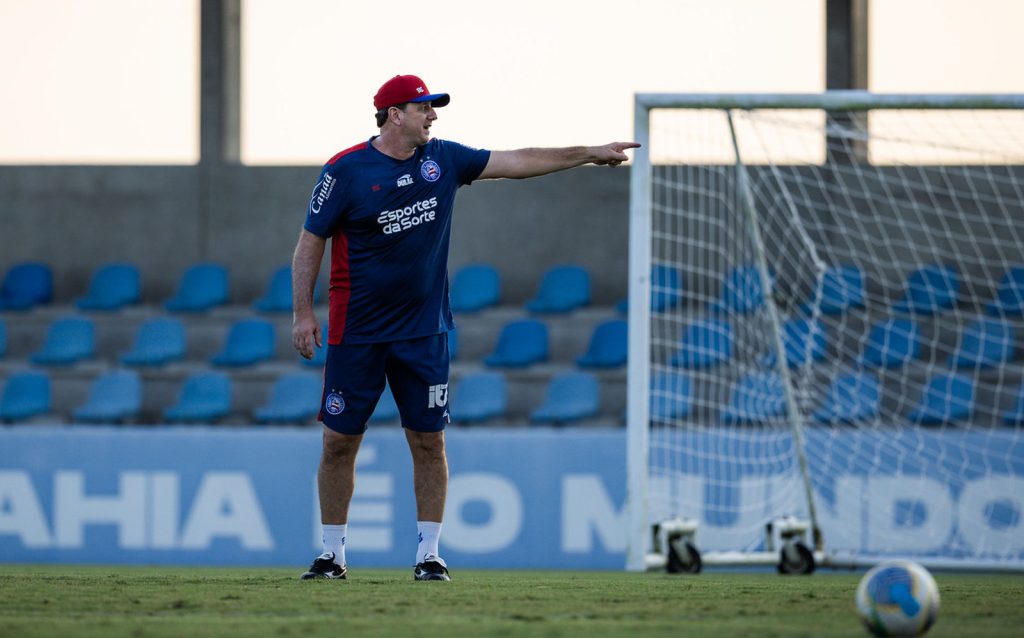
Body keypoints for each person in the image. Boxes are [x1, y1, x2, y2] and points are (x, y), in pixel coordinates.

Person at [292, 74, 638, 581]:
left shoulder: (446, 160)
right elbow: (309, 243)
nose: (432, 115)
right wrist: (302, 312)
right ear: (394, 114)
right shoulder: (344, 170)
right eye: (423, 107)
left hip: (424, 330)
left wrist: (587, 152)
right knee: (338, 443)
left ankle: (429, 554)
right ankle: (332, 555)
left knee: (429, 442)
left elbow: (518, 160)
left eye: (433, 108)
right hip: (357, 331)